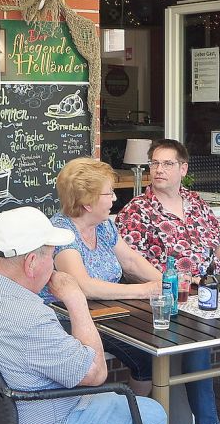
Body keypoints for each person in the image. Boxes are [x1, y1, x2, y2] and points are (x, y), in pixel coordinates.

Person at [0, 206, 168, 424]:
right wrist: (76, 299)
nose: (53, 265)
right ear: (31, 263)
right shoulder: (32, 319)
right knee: (153, 413)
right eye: (52, 256)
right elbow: (96, 373)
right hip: (43, 420)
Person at [116, 139, 220, 424]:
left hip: (213, 287)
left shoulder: (196, 202)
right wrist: (174, 285)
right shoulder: (137, 210)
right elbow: (130, 265)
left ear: (183, 168)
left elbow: (218, 244)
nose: (159, 169)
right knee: (197, 339)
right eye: (154, 163)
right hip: (171, 298)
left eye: (167, 163)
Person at [46, 158, 165, 395]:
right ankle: (136, 417)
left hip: (110, 312)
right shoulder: (61, 231)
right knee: (144, 355)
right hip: (70, 317)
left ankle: (140, 413)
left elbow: (131, 261)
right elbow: (84, 286)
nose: (114, 198)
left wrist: (165, 281)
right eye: (108, 193)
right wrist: (143, 290)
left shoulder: (104, 225)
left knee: (153, 342)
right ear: (88, 202)